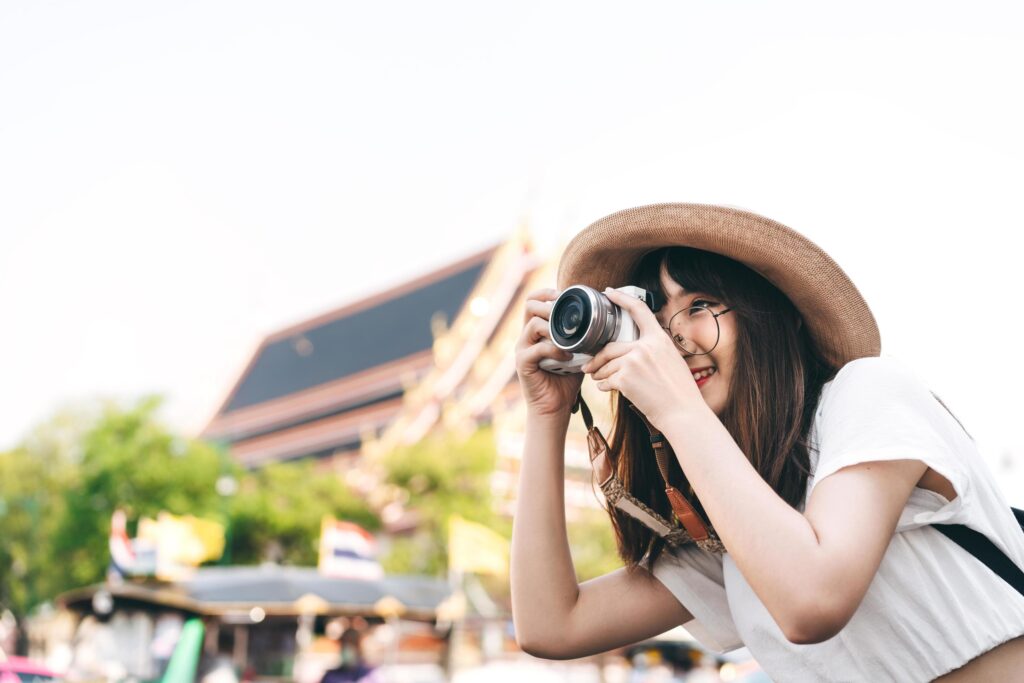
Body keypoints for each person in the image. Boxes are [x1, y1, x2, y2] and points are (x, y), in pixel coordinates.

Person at [510, 203, 1024, 682]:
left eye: (701, 304)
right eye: (656, 321)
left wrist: (675, 406)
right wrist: (547, 413)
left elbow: (813, 602)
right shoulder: (734, 521)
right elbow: (552, 626)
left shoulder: (867, 393)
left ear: (777, 317)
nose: (675, 340)